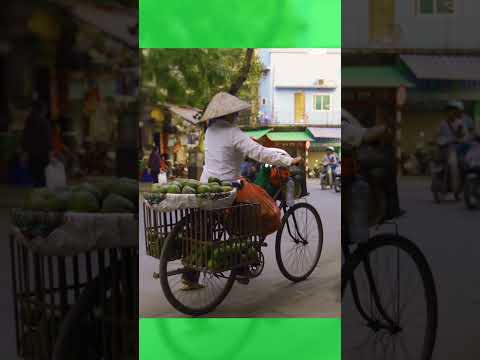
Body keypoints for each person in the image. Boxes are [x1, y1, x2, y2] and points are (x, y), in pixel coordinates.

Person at [181, 92, 302, 290]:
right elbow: (259, 153)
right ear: (229, 115)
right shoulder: (233, 133)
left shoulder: (210, 131)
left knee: (206, 226)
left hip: (206, 186)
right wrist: (289, 160)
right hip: (228, 188)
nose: (236, 116)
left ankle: (189, 276)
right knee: (255, 211)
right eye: (235, 113)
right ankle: (242, 264)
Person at [22, 101, 52, 187]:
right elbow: (48, 139)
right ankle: (41, 196)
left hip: (32, 154)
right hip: (43, 154)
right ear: (42, 110)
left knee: (35, 177)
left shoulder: (29, 121)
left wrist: (25, 152)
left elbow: (25, 137)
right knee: (43, 178)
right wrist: (50, 152)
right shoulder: (44, 122)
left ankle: (36, 193)